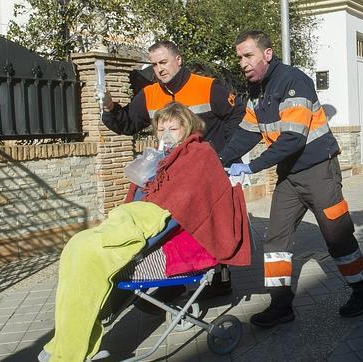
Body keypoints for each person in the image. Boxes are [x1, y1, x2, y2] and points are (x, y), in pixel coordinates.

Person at [39, 102, 250, 362]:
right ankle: (71, 339)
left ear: (188, 127)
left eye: (174, 127)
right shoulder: (161, 156)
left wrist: (142, 243)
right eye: (161, 128)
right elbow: (138, 199)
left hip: (163, 234)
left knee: (90, 257)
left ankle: (72, 351)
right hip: (136, 222)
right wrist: (147, 174)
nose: (167, 133)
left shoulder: (200, 154)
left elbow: (179, 209)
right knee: (76, 246)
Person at [218, 30, 363, 328]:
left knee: (337, 235)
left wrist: (251, 168)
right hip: (289, 176)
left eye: (248, 55)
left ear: (267, 54)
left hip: (319, 171)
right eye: (239, 57)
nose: (242, 62)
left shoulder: (293, 81)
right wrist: (220, 159)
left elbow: (292, 138)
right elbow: (247, 132)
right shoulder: (256, 89)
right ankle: (280, 306)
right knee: (276, 239)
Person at [101, 40, 242, 300]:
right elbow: (128, 124)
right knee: (173, 223)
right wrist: (111, 109)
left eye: (163, 62)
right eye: (154, 65)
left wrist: (223, 154)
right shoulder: (150, 94)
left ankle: (220, 278)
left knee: (211, 221)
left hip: (206, 167)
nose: (159, 69)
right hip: (173, 172)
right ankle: (173, 278)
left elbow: (237, 116)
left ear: (178, 59)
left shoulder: (207, 86)